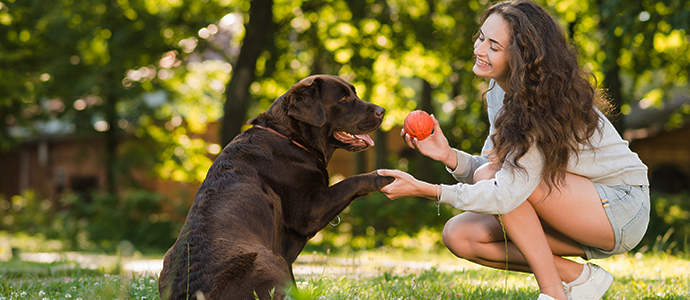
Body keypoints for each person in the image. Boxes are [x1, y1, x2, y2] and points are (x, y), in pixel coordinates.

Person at [377, 1, 650, 299]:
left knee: (498, 179)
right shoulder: (500, 92)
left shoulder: (541, 104)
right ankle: (580, 278)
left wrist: (429, 190)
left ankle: (552, 292)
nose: (479, 50)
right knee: (461, 236)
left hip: (620, 208)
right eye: (481, 38)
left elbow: (504, 188)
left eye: (494, 46)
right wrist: (449, 156)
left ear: (522, 56)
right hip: (572, 206)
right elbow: (494, 170)